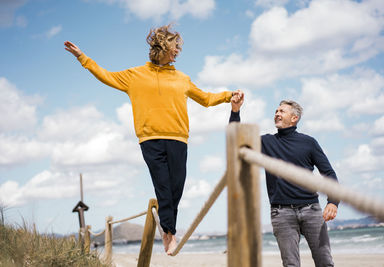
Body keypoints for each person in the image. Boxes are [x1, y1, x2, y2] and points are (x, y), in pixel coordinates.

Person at [64, 24, 243, 255]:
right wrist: (83, 58)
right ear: (162, 48)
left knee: (176, 187)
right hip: (150, 139)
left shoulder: (182, 79)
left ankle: (168, 230)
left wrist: (229, 96)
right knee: (163, 186)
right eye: (174, 48)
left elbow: (206, 99)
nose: (177, 52)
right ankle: (169, 233)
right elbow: (105, 75)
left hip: (178, 138)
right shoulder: (135, 75)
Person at [230, 98, 339, 267]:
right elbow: (237, 140)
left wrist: (333, 201)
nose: (277, 114)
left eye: (281, 111)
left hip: (311, 210)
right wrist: (235, 111)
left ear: (294, 118)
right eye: (276, 111)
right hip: (281, 214)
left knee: (325, 262)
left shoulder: (308, 142)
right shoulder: (266, 142)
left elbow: (328, 172)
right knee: (291, 265)